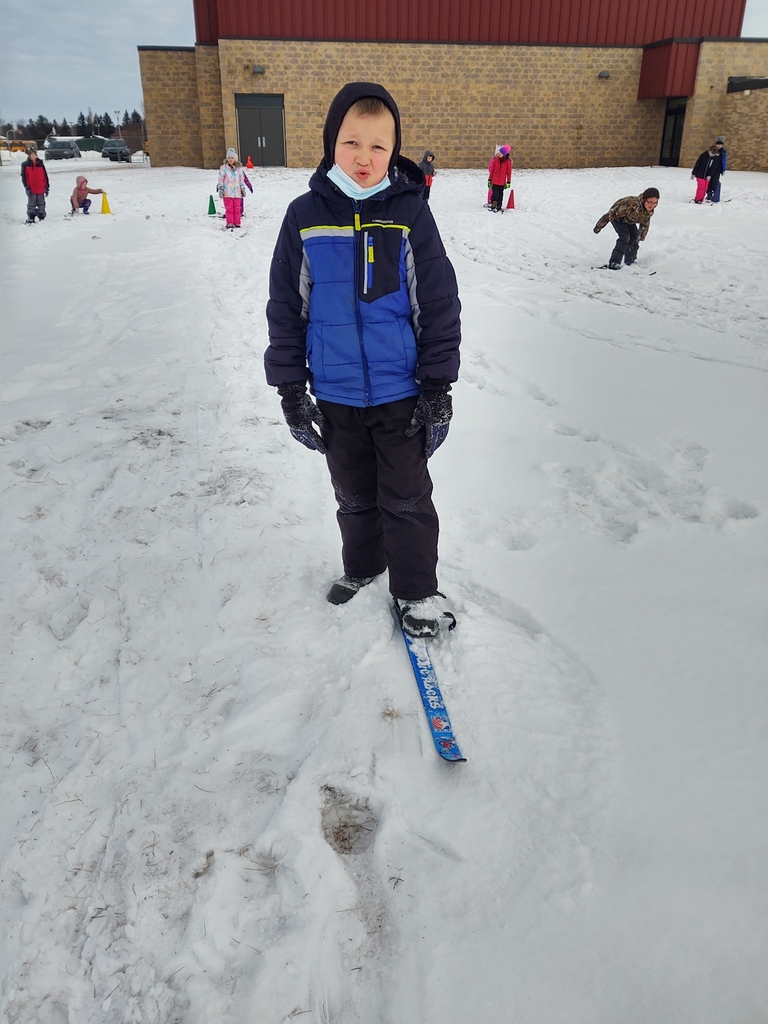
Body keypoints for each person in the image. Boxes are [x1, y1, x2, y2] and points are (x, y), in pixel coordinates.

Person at [264, 82, 461, 638]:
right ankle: (364, 566)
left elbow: (438, 304)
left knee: (406, 498)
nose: (365, 157)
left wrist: (436, 388)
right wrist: (290, 390)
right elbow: (286, 306)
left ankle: (417, 591)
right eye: (352, 142)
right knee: (352, 492)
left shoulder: (410, 215)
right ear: (332, 144)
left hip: (401, 394)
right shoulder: (303, 215)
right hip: (335, 391)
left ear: (395, 149)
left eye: (379, 145)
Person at [593, 188, 659, 269]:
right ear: (644, 200)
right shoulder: (631, 204)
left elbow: (645, 222)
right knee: (625, 236)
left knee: (635, 236)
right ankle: (614, 262)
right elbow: (611, 213)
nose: (652, 205)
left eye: (655, 203)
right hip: (617, 218)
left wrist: (641, 236)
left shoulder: (649, 211)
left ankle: (630, 261)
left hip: (629, 220)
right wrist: (599, 226)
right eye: (650, 202)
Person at [20, 146, 49, 223]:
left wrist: (46, 186)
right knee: (31, 204)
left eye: (34, 154)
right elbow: (24, 177)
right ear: (29, 156)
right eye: (31, 154)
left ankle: (41, 215)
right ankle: (31, 217)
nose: (33, 156)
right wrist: (26, 186)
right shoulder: (25, 165)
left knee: (41, 203)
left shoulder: (40, 164)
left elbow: (44, 176)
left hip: (40, 188)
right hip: (31, 188)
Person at [218, 148, 245, 229]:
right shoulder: (223, 168)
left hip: (237, 192)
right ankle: (230, 222)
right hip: (227, 192)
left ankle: (237, 222)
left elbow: (241, 179)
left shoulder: (239, 169)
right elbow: (220, 178)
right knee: (229, 208)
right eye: (229, 158)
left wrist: (242, 188)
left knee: (237, 208)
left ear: (235, 159)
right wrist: (221, 187)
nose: (230, 159)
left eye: (232, 158)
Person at [487, 145, 512, 211]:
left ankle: (499, 205)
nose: (499, 154)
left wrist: (508, 181)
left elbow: (508, 173)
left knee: (500, 194)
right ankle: (494, 203)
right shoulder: (496, 160)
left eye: (501, 153)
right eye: (499, 152)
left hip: (502, 182)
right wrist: (489, 179)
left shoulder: (508, 162)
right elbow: (492, 171)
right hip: (494, 181)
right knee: (495, 194)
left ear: (505, 154)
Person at [710, 136, 727, 203]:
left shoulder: (723, 152)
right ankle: (709, 192)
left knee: (715, 180)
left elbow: (724, 160)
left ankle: (714, 193)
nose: (719, 146)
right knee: (709, 180)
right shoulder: (713, 150)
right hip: (711, 167)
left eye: (720, 145)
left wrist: (723, 169)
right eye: (718, 144)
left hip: (718, 168)